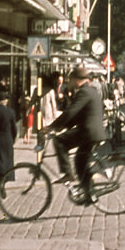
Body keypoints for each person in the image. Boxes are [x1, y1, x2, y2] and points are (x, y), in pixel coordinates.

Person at [45, 64, 109, 204]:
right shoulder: (91, 91)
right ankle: (89, 194)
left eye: (70, 79)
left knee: (59, 141)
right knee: (81, 163)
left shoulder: (84, 92)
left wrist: (53, 126)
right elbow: (77, 115)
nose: (69, 82)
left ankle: (68, 174)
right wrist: (62, 127)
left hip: (88, 133)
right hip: (93, 132)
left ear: (76, 79)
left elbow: (71, 112)